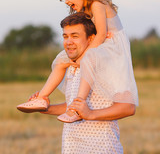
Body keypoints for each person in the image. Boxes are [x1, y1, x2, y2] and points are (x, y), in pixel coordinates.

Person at [17, 0, 138, 123]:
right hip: (100, 44)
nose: (66, 1)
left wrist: (82, 57)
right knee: (61, 60)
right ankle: (42, 97)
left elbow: (101, 35)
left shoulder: (97, 4)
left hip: (112, 47)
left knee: (87, 59)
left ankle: (78, 105)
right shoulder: (85, 10)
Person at [33, 12, 138, 153]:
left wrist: (91, 114)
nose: (68, 42)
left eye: (75, 36)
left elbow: (128, 107)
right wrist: (46, 109)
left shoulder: (106, 65)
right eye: (65, 36)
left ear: (91, 38)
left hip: (101, 149)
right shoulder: (70, 67)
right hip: (72, 148)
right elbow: (75, 105)